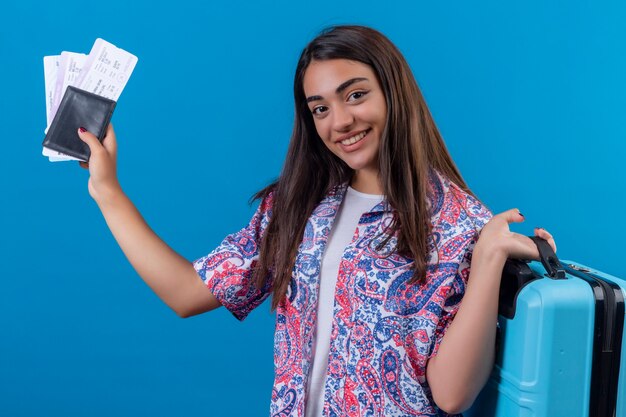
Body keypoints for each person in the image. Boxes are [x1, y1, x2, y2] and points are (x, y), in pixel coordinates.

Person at [77, 25, 556, 417]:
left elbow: (452, 396)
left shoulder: (458, 224)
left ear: (394, 92)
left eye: (355, 95)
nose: (339, 121)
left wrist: (489, 257)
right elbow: (185, 293)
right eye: (320, 108)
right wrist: (107, 191)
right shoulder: (297, 205)